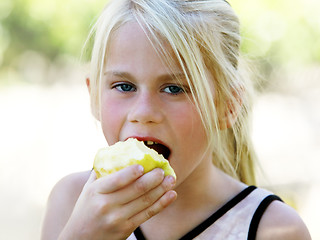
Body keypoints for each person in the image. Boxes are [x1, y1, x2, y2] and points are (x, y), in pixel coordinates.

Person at [41, 0, 311, 239]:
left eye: (174, 88)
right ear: (95, 97)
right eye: (124, 86)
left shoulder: (274, 229)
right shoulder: (71, 203)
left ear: (228, 105)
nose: (143, 112)